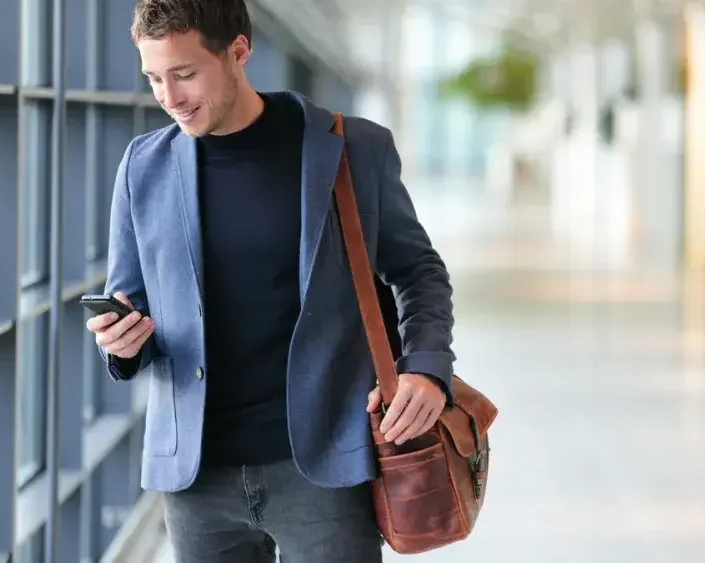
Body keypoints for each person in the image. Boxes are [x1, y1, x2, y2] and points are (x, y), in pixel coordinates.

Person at [84, 0, 456, 560]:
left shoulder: (352, 149)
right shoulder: (144, 165)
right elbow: (130, 302)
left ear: (239, 51)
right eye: (154, 78)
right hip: (197, 478)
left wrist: (426, 369)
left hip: (324, 464)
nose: (169, 97)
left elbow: (418, 272)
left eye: (185, 74)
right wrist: (122, 344)